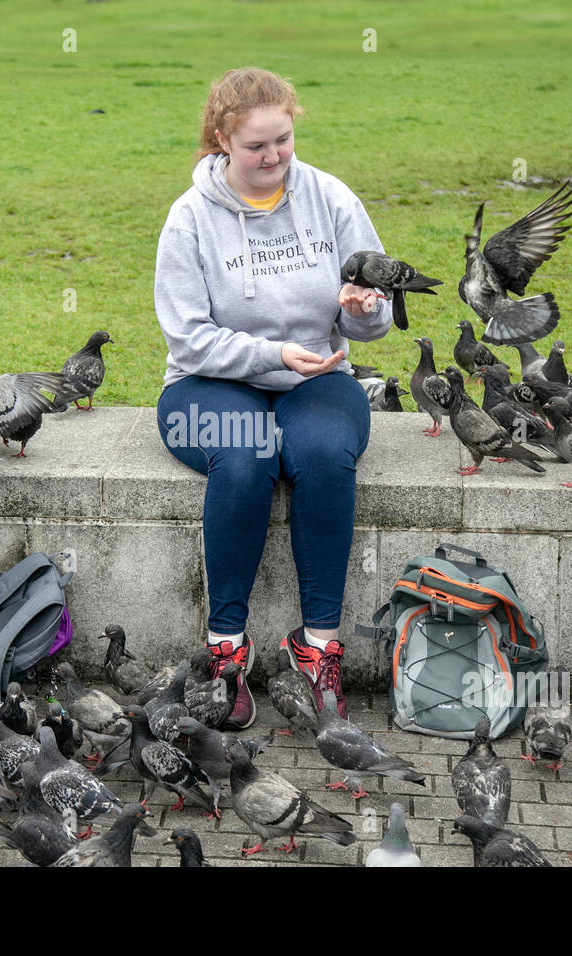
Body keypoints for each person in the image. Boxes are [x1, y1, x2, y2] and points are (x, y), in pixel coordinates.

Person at [154, 68, 394, 727]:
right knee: (246, 453)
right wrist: (268, 354)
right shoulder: (190, 218)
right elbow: (189, 336)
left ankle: (318, 648)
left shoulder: (330, 198)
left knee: (321, 456)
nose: (273, 157)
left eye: (283, 141)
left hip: (315, 379)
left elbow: (375, 316)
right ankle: (226, 647)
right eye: (257, 146)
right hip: (210, 383)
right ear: (222, 138)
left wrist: (362, 310)